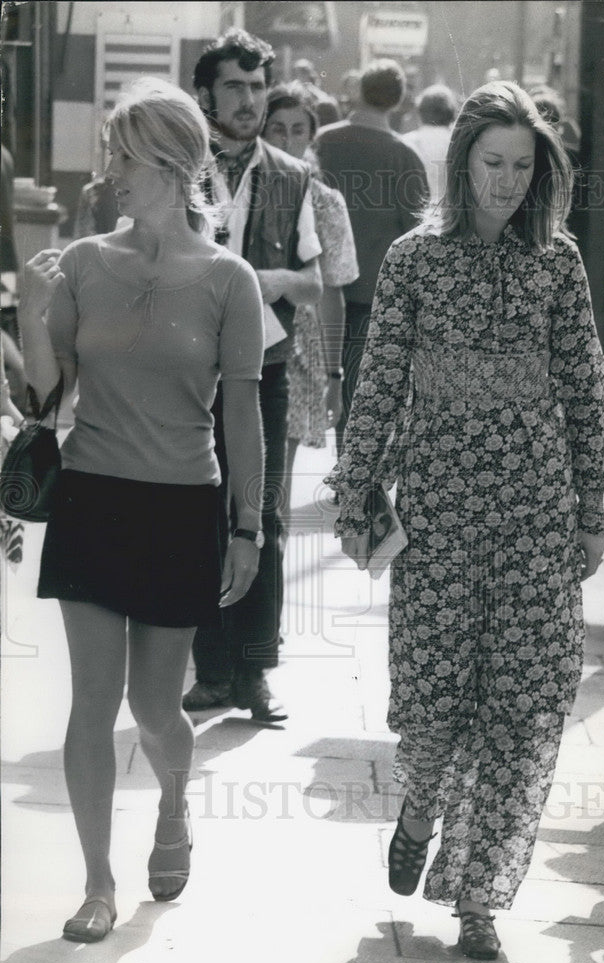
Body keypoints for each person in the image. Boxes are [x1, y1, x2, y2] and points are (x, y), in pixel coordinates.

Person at [325, 81, 604, 959]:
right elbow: (380, 378)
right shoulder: (414, 262)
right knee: (434, 700)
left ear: (541, 174)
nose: (507, 182)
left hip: (536, 509)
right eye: (493, 164)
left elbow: (584, 385)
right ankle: (420, 806)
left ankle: (479, 902)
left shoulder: (557, 263)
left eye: (522, 166)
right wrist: (357, 494)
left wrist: (589, 514)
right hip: (439, 511)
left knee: (527, 706)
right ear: (462, 164)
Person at [17, 78, 265, 942]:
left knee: (157, 709)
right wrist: (35, 313)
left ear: (166, 161)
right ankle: (96, 884)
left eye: (122, 154)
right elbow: (49, 400)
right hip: (92, 496)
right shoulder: (83, 262)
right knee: (93, 703)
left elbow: (244, 413)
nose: (111, 171)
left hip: (180, 507)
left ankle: (172, 802)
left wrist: (248, 525)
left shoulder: (229, 280)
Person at [182, 28, 323, 720]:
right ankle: (211, 670)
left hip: (264, 370)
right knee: (199, 512)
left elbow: (314, 282)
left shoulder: (293, 177)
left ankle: (256, 673)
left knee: (259, 511)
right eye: (234, 86)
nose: (249, 100)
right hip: (186, 370)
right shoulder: (178, 165)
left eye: (258, 86)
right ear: (206, 93)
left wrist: (259, 279)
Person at [314, 58, 428, 458]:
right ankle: (354, 472)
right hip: (375, 294)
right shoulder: (403, 156)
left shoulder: (322, 142)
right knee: (362, 389)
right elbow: (418, 234)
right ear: (397, 102)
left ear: (357, 90)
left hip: (318, 284)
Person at [261, 83, 358, 523]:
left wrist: (335, 372)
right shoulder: (244, 192)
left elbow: (333, 290)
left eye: (297, 129)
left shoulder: (325, 201)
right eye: (277, 128)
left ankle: (269, 574)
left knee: (274, 484)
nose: (287, 139)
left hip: (298, 357)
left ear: (311, 136)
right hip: (243, 340)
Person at [402, 83, 458, 203]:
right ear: (452, 113)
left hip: (414, 213)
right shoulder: (457, 143)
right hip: (449, 214)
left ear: (420, 112)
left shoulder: (405, 142)